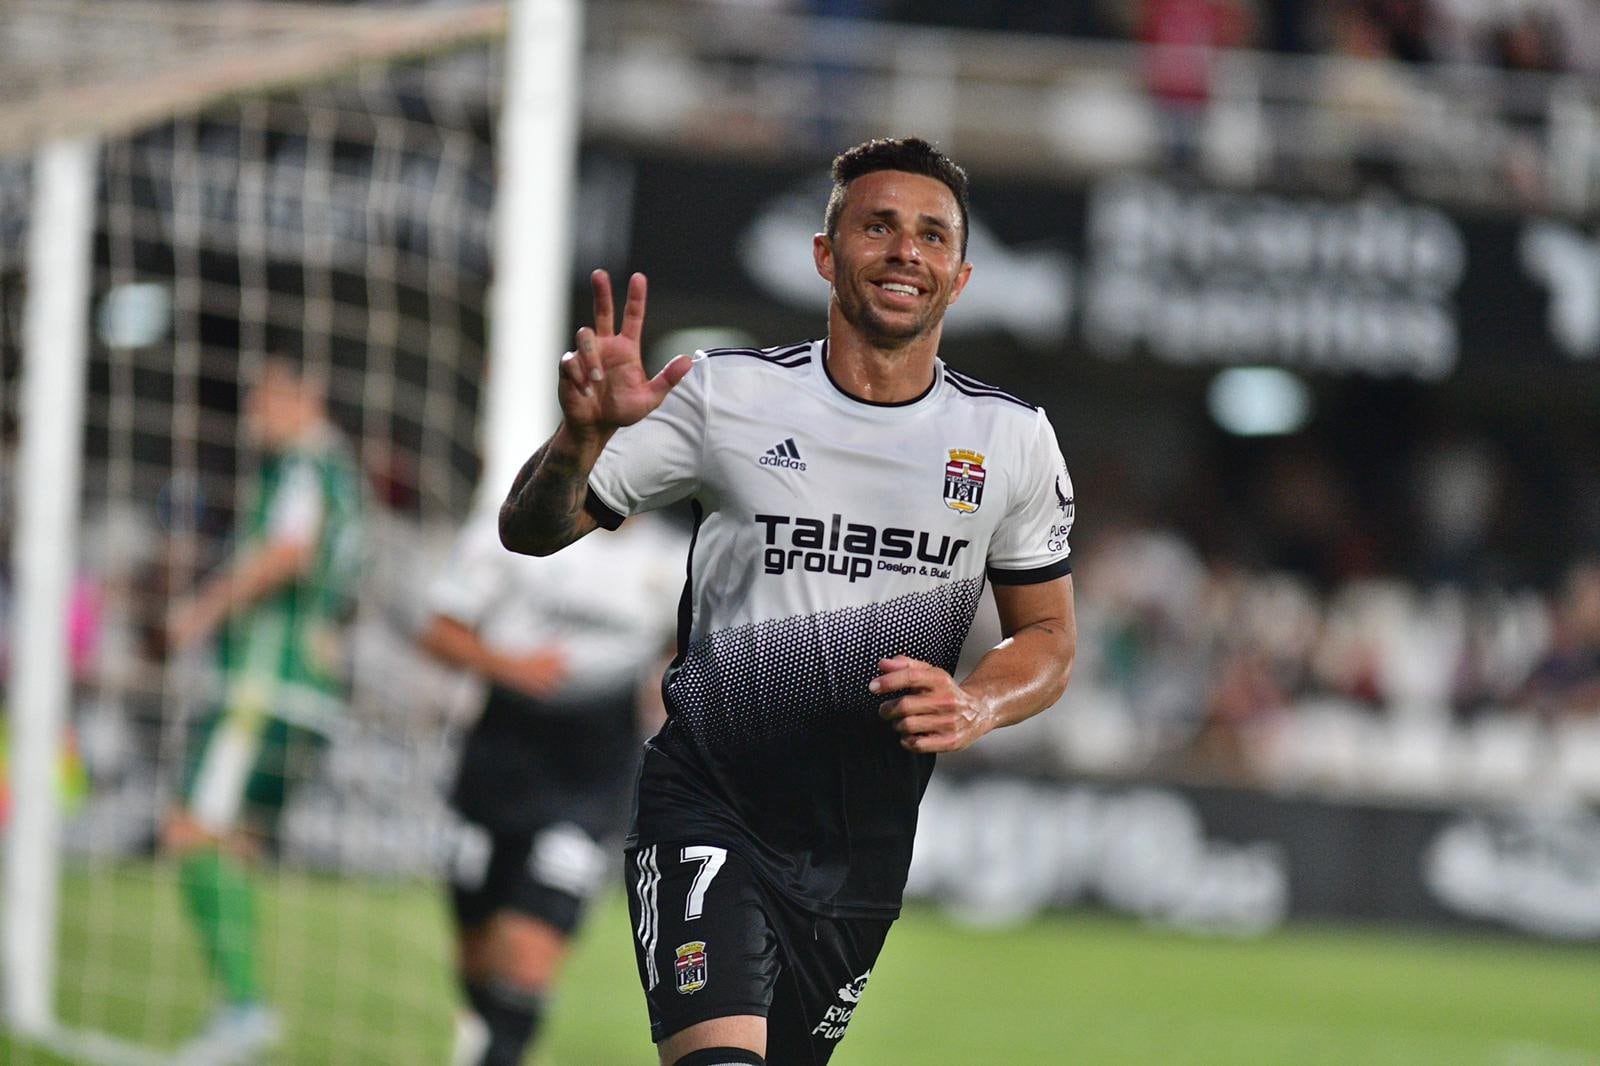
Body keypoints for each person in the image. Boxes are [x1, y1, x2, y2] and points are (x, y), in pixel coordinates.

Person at [499, 136, 1078, 1066]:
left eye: (931, 236)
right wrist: (578, 442)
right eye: (878, 226)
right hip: (708, 807)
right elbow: (533, 530)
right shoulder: (727, 395)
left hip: (860, 850)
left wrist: (979, 700)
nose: (904, 251)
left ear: (960, 277)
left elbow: (1047, 636)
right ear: (825, 252)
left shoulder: (1009, 441)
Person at [419, 508, 686, 1066]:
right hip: (501, 754)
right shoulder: (514, 533)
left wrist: (665, 688)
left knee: (529, 949)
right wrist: (510, 667)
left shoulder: (672, 560)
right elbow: (440, 632)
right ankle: (489, 1037)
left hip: (593, 773)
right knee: (478, 952)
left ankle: (501, 1053)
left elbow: (687, 643)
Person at [161, 357, 364, 1061]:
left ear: (304, 398)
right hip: (310, 692)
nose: (253, 411)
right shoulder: (345, 475)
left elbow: (288, 550)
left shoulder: (304, 467)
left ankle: (243, 1008)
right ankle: (242, 1010)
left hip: (261, 686)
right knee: (237, 846)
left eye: (266, 397)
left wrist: (200, 610)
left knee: (190, 830)